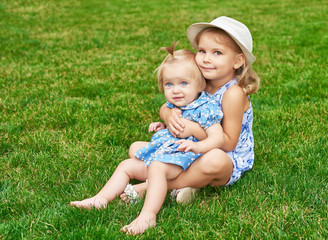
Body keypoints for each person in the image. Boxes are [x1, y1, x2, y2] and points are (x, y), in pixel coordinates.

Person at [70, 46, 225, 235]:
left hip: (185, 157)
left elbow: (218, 137)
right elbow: (176, 127)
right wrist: (163, 126)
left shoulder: (205, 107)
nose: (176, 90)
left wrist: (197, 145)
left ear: (200, 84)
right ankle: (100, 199)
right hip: (168, 153)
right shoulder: (176, 104)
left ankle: (148, 216)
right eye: (169, 84)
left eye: (183, 83)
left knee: (157, 167)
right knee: (127, 164)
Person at [127, 16, 260, 205]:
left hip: (224, 156)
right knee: (135, 149)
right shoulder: (200, 81)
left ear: (238, 61)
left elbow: (229, 143)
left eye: (217, 53)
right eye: (202, 51)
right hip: (191, 147)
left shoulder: (233, 94)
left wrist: (191, 129)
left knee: (215, 161)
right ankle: (191, 184)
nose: (206, 59)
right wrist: (167, 114)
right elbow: (169, 105)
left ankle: (154, 185)